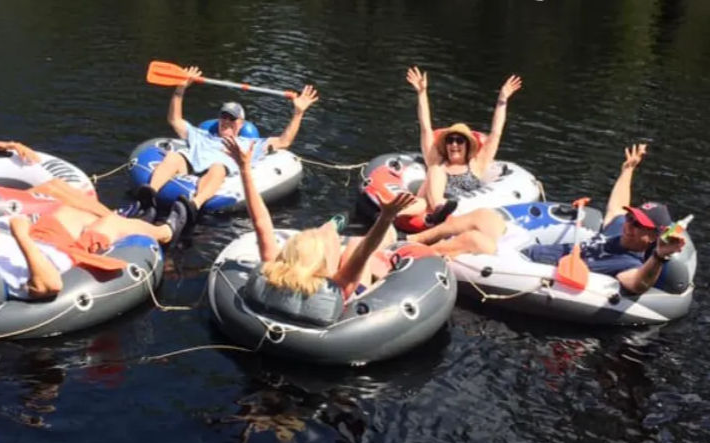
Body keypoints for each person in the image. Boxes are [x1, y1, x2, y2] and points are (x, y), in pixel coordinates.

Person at [407, 144, 687, 295]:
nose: (629, 225)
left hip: (531, 265)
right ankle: (409, 241)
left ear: (652, 237)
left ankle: (409, 262)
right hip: (528, 245)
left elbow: (638, 284)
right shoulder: (619, 228)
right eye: (632, 219)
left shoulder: (629, 264)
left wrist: (660, 257)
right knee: (484, 216)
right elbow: (615, 208)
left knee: (476, 239)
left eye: (638, 225)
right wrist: (628, 170)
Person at [0, 179, 195, 299]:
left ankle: (137, 219)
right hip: (57, 253)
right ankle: (164, 231)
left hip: (42, 239)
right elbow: (50, 285)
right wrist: (22, 237)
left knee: (68, 208)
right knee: (110, 224)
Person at [223, 136, 415, 301]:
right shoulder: (337, 288)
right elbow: (366, 249)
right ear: (320, 266)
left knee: (325, 233)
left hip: (304, 271)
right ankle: (339, 226)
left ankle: (334, 224)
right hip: (352, 291)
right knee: (358, 245)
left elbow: (261, 222)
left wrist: (244, 169)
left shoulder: (270, 270)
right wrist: (386, 218)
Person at [140, 65, 319, 220]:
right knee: (174, 156)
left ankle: (192, 206)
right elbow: (174, 120)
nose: (226, 121)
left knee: (218, 167)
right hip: (191, 165)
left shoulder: (251, 144)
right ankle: (149, 195)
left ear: (240, 123)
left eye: (232, 118)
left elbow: (284, 141)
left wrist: (298, 113)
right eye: (223, 116)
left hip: (217, 171)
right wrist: (180, 90)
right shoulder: (202, 134)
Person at [400, 67, 523, 225]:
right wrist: (421, 93)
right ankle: (396, 215)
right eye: (450, 140)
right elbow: (425, 127)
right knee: (434, 170)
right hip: (431, 209)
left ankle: (436, 212)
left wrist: (502, 100)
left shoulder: (477, 165)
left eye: (459, 140)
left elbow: (496, 133)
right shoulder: (438, 162)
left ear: (467, 145)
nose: (454, 144)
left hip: (462, 213)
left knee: (432, 177)